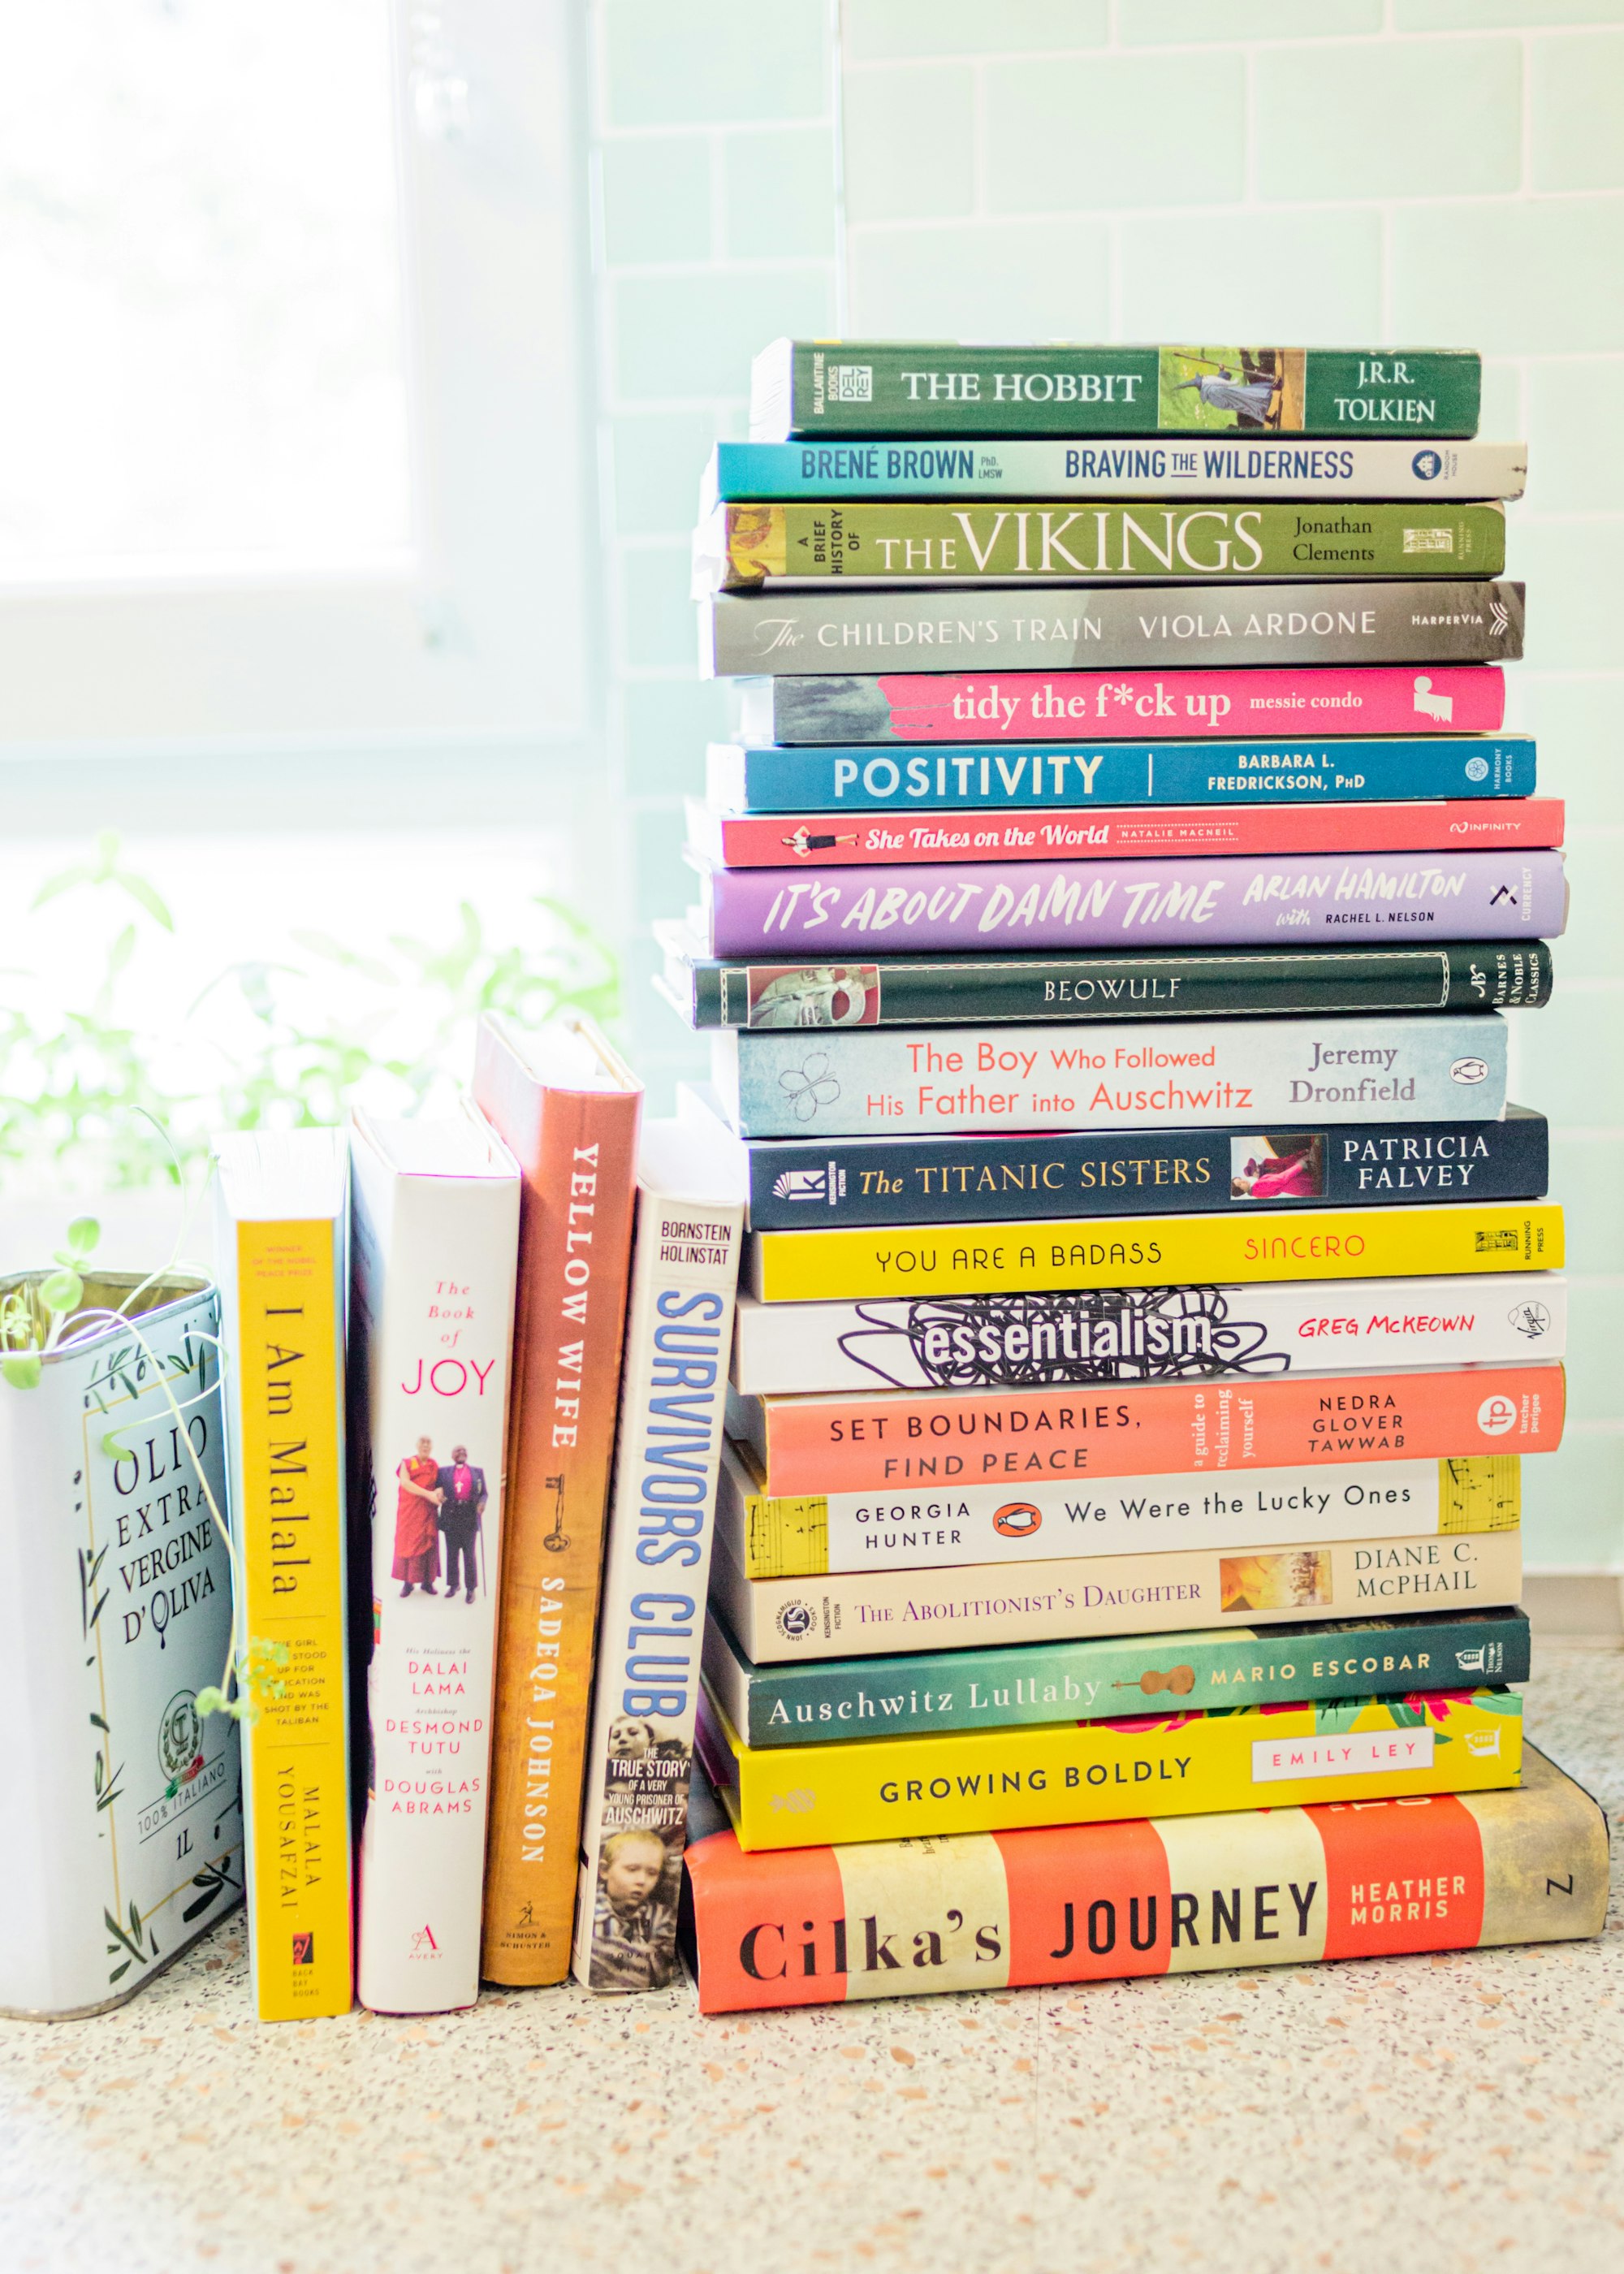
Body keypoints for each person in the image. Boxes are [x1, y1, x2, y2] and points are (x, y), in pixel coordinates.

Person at [589, 1828, 675, 1992]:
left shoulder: (661, 1916)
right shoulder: (590, 1914)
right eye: (632, 1869)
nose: (641, 1881)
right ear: (605, 1870)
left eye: (652, 1873)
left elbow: (660, 1970)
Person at [392, 1437, 443, 1597]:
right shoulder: (407, 1463)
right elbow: (405, 1484)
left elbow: (439, 1486)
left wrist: (439, 1495)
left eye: (429, 1442)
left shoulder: (434, 1465)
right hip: (410, 1513)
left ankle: (427, 1582)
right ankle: (408, 1583)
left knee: (429, 1544)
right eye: (423, 1442)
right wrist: (428, 1494)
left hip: (428, 1513)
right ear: (417, 1445)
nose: (426, 1445)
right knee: (408, 1542)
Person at [436, 1444, 486, 1602]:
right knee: (451, 1553)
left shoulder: (477, 1472)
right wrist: (439, 1494)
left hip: (469, 1516)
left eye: (464, 1450)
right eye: (458, 1451)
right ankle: (453, 1585)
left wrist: (482, 1503)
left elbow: (484, 1493)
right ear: (452, 1455)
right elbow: (436, 1488)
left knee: (469, 1554)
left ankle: (471, 1589)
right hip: (451, 1515)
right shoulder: (443, 1472)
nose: (462, 1452)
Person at [1170, 364, 1281, 425]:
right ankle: (1274, 386)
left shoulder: (1209, 391)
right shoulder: (1211, 389)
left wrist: (1221, 370)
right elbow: (1222, 383)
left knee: (1250, 407)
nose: (1204, 376)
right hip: (1234, 397)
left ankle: (1269, 419)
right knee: (1252, 394)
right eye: (1202, 377)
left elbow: (1219, 382)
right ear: (1202, 382)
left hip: (1233, 401)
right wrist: (1231, 382)